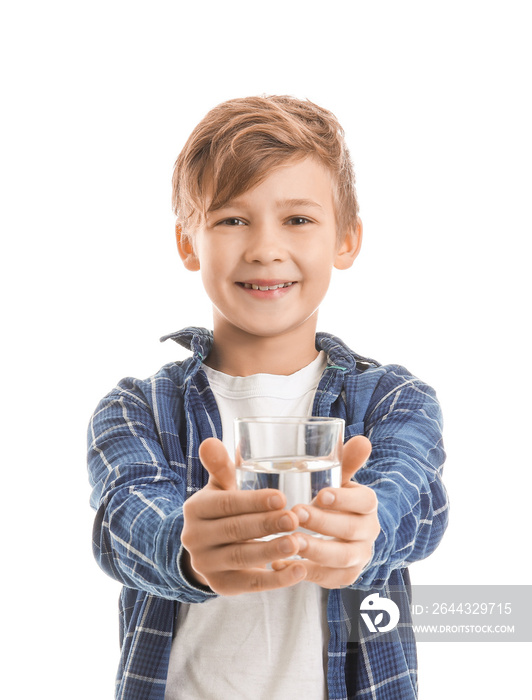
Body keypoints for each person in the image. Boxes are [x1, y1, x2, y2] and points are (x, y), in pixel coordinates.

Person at [87, 95, 449, 700]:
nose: (263, 247)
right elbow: (121, 524)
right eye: (232, 219)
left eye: (298, 220)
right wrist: (187, 548)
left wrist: (367, 528)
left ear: (346, 240)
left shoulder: (395, 401)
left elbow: (419, 504)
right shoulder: (135, 409)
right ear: (188, 242)